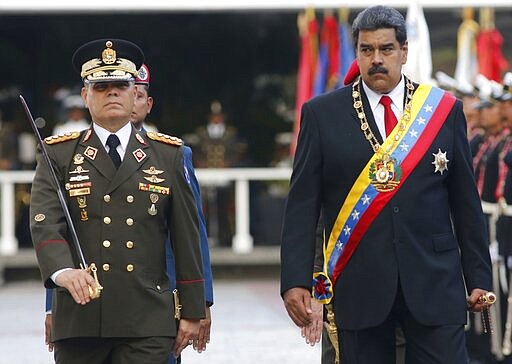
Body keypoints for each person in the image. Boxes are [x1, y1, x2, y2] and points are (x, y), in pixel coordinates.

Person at [281, 6, 493, 364]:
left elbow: (465, 204)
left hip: (434, 281)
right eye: (367, 50)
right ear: (358, 53)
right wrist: (295, 281)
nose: (376, 59)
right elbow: (302, 205)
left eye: (386, 49)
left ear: (404, 51)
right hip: (358, 282)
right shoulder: (322, 115)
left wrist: (479, 276)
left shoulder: (443, 111)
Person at [30, 38, 205, 364]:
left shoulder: (168, 155)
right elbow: (45, 222)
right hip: (81, 317)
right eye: (101, 86)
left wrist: (194, 310)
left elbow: (186, 238)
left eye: (121, 85)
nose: (111, 92)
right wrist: (63, 271)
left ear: (134, 92)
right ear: (85, 96)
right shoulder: (58, 154)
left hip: (147, 317)